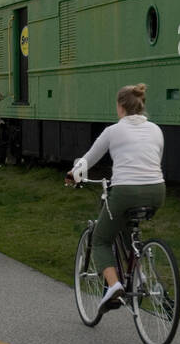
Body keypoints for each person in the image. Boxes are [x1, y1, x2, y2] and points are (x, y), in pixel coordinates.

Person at [65, 84, 165, 310]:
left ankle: (114, 286)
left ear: (120, 107)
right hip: (157, 191)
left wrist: (74, 174)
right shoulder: (156, 129)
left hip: (125, 192)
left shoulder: (113, 131)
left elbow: (87, 160)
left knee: (101, 238)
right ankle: (139, 275)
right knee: (126, 225)